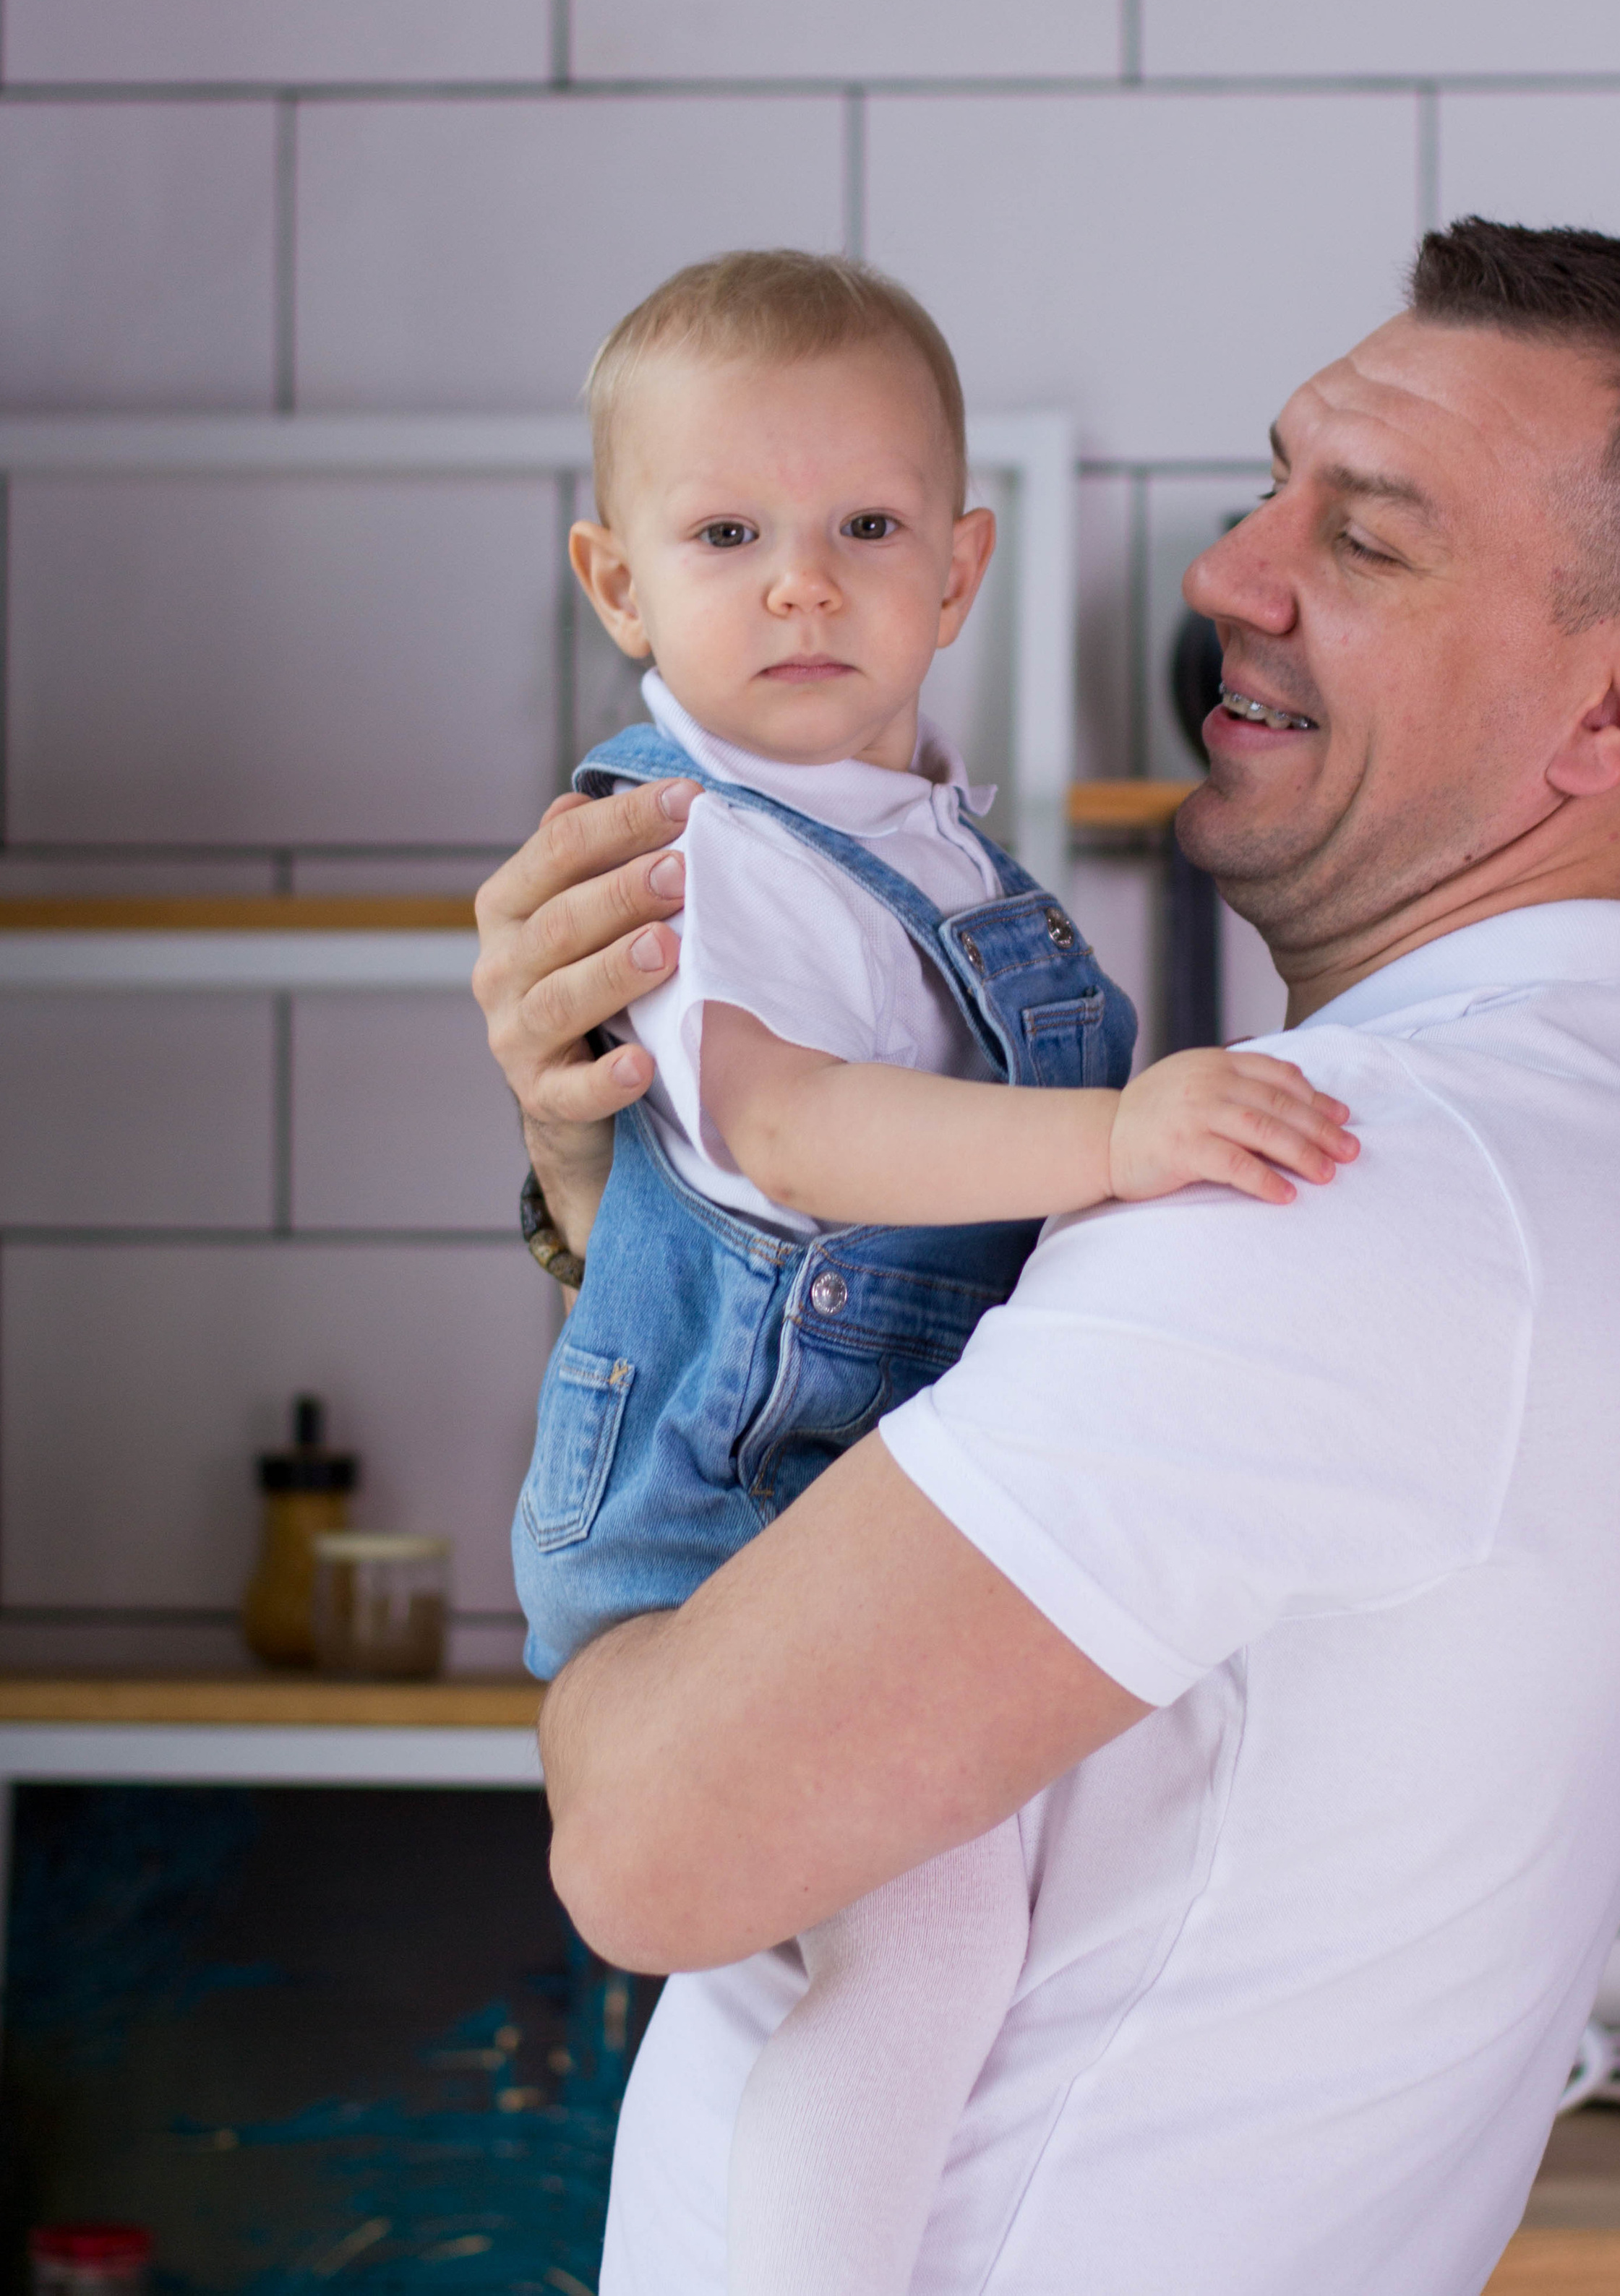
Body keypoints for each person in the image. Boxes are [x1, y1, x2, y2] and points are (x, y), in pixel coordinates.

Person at [475, 220, 1620, 2295]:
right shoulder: (1572, 1130)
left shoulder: (1336, 1199)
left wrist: (616, 1663)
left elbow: (658, 1842)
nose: (1230, 573)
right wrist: (616, 1191)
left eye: (1367, 541)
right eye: (1269, 485)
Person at [514, 249, 1354, 2296]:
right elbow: (791, 1131)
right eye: (728, 536)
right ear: (618, 586)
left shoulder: (916, 837)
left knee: (993, 1912)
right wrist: (1116, 1138)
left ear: (959, 568)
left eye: (864, 529)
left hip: (848, 1478)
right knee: (942, 1935)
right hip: (723, 1512)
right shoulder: (687, 846)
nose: (802, 583)